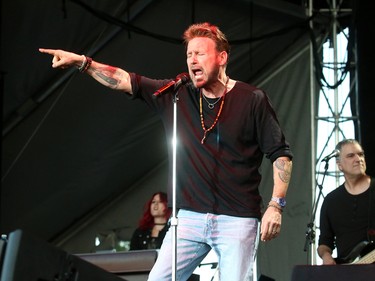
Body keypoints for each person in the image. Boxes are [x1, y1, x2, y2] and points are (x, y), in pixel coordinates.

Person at [39, 22, 293, 281]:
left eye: (200, 53)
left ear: (222, 57)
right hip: (189, 217)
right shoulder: (176, 95)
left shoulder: (252, 99)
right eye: (188, 55)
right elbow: (125, 80)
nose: (192, 60)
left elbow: (280, 155)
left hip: (237, 219)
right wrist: (83, 62)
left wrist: (276, 205)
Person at [318, 139, 375, 265]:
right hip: (348, 272)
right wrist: (326, 256)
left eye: (360, 154)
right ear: (339, 165)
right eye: (350, 156)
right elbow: (324, 242)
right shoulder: (331, 201)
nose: (358, 159)